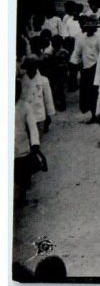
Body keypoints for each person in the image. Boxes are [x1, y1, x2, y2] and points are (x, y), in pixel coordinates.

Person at [70, 17, 100, 123]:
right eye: (88, 27)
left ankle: (98, 114)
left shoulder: (99, 39)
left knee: (95, 93)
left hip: (96, 67)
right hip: (85, 69)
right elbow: (76, 52)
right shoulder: (81, 38)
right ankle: (93, 114)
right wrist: (74, 64)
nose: (89, 29)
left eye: (92, 27)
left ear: (95, 28)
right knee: (87, 93)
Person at [14, 80, 43, 208]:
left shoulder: (24, 106)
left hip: (22, 146)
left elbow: (32, 127)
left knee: (23, 175)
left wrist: (35, 144)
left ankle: (22, 197)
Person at [20, 56, 55, 136]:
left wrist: (49, 114)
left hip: (39, 114)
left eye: (32, 68)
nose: (30, 70)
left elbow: (48, 99)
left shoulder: (43, 80)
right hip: (27, 115)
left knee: (37, 137)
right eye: (28, 68)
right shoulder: (22, 81)